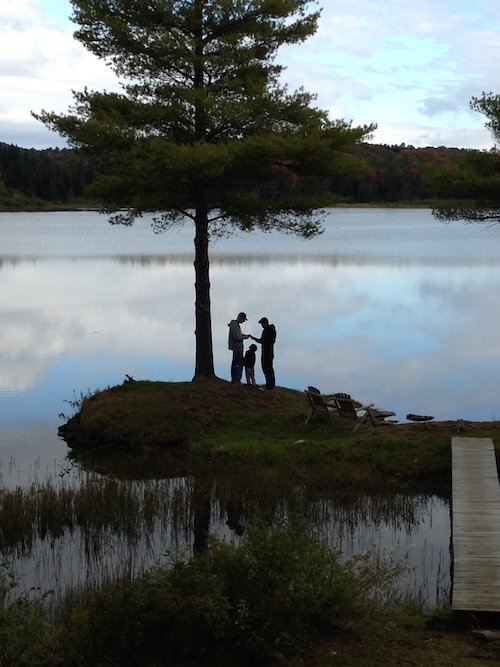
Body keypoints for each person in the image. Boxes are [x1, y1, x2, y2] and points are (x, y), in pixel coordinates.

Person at [251, 317, 276, 390]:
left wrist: (254, 338)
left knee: (266, 368)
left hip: (266, 352)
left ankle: (269, 385)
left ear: (264, 323)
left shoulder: (267, 330)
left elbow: (262, 341)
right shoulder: (272, 330)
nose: (261, 325)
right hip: (269, 351)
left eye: (262, 324)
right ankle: (270, 383)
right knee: (268, 368)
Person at [228, 312, 250, 383]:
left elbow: (238, 335)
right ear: (240, 317)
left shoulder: (236, 325)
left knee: (235, 363)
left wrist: (244, 335)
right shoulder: (234, 325)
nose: (243, 321)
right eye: (243, 319)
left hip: (237, 347)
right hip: (237, 348)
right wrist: (245, 337)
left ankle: (234, 379)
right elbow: (236, 337)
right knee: (240, 363)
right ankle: (237, 379)